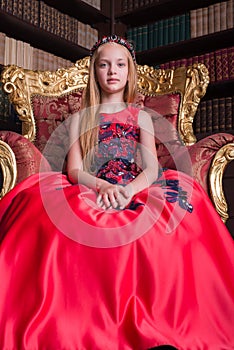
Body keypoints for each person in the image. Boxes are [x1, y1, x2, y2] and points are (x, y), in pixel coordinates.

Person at [0, 35, 233, 350]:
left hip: (137, 185)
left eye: (120, 64)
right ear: (95, 72)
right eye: (105, 65)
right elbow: (74, 170)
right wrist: (104, 187)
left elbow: (151, 168)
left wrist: (129, 190)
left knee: (179, 214)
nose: (112, 71)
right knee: (48, 213)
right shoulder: (81, 119)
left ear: (129, 71)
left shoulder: (142, 118)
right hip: (93, 184)